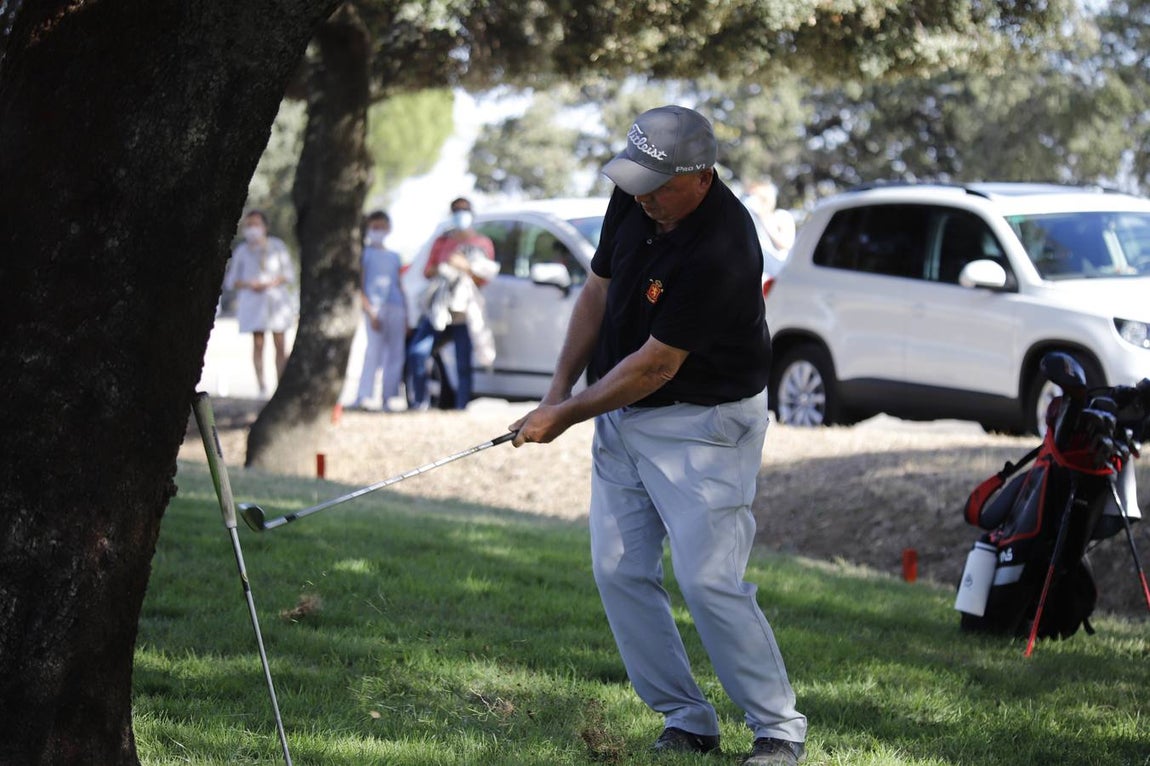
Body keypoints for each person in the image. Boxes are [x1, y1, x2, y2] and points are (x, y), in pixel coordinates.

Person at [508, 106, 807, 765]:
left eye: (658, 186)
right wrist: (557, 389)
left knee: (708, 580)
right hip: (621, 411)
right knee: (617, 568)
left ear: (702, 177)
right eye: (636, 182)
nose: (644, 198)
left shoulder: (723, 247)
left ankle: (778, 729)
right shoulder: (638, 198)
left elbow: (656, 365)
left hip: (704, 427)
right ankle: (687, 719)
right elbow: (596, 292)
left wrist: (566, 415)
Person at [406, 197, 497, 410]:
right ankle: (419, 403)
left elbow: (483, 278)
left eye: (464, 210)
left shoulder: (482, 243)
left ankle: (461, 406)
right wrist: (446, 267)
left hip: (464, 311)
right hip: (440, 308)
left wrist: (465, 267)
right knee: (418, 353)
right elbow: (427, 271)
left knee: (463, 361)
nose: (460, 214)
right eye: (456, 210)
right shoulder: (443, 241)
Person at [224, 209, 296, 397]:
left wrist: (270, 283)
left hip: (276, 303)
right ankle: (262, 386)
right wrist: (250, 284)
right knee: (258, 342)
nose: (252, 229)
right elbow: (232, 280)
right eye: (249, 225)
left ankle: (282, 385)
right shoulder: (242, 251)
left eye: (256, 224)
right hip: (253, 302)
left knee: (280, 343)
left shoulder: (277, 246)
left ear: (265, 227)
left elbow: (288, 274)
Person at [353, 210, 407, 412]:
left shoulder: (394, 256)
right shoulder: (365, 254)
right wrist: (370, 310)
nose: (378, 231)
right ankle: (364, 395)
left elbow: (399, 284)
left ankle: (389, 397)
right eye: (374, 227)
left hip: (396, 307)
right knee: (373, 352)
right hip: (374, 307)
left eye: (382, 227)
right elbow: (360, 285)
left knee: (395, 354)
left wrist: (406, 314)